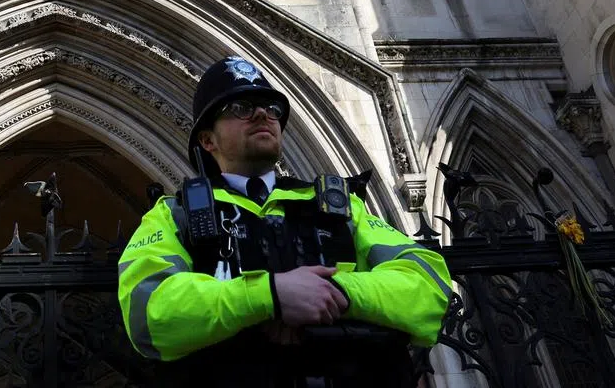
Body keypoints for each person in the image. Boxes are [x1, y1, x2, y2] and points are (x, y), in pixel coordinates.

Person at [117, 55, 451, 387]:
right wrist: (270, 297)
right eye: (239, 107)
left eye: (270, 108)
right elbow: (148, 311)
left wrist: (332, 293)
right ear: (208, 140)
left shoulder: (341, 206)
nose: (262, 113)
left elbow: (428, 285)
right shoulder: (174, 214)